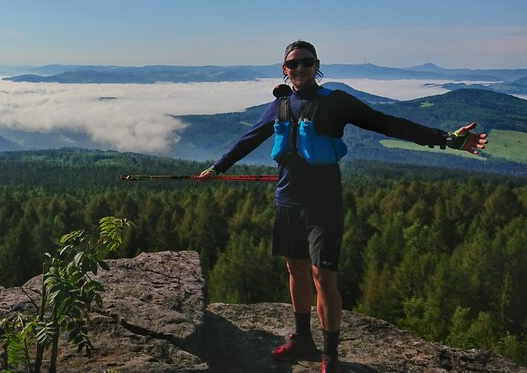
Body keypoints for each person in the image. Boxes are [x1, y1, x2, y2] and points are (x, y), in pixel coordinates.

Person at [198, 40, 487, 373]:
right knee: (296, 270)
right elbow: (248, 138)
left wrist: (447, 138)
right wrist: (218, 168)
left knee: (323, 277)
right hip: (288, 200)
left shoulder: (336, 102)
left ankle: (331, 355)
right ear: (284, 69)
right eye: (294, 64)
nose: (301, 68)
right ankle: (303, 339)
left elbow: (388, 123)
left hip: (324, 204)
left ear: (317, 66)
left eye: (308, 63)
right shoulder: (279, 105)